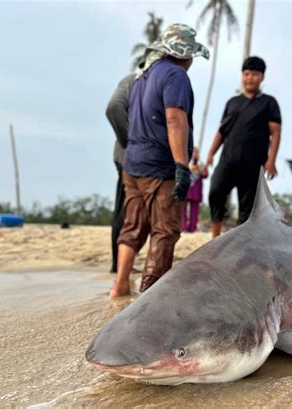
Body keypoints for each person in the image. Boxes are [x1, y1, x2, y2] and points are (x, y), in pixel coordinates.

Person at [110, 24, 209, 297]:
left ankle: (120, 284)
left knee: (133, 226)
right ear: (186, 55)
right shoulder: (176, 75)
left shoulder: (143, 76)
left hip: (133, 164)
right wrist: (181, 165)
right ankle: (150, 296)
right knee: (164, 231)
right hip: (159, 165)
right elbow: (174, 118)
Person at [205, 56, 282, 238]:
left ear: (262, 77)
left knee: (247, 209)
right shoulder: (233, 102)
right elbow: (222, 131)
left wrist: (271, 160)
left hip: (253, 164)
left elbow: (276, 132)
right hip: (228, 161)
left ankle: (243, 244)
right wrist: (210, 154)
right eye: (246, 74)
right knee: (215, 192)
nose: (249, 78)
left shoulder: (269, 103)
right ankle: (215, 238)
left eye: (254, 74)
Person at [106, 73, 135, 273]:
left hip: (135, 156)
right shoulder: (133, 81)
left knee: (130, 210)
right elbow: (113, 107)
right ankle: (118, 265)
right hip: (129, 156)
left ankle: (123, 265)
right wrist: (132, 140)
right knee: (125, 210)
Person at [182, 147, 207, 233]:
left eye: (195, 152)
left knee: (194, 211)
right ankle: (183, 227)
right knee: (183, 209)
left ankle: (192, 228)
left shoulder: (201, 164)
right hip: (187, 189)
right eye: (193, 152)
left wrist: (200, 169)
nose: (194, 154)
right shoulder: (186, 163)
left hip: (196, 191)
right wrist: (189, 168)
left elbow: (205, 175)